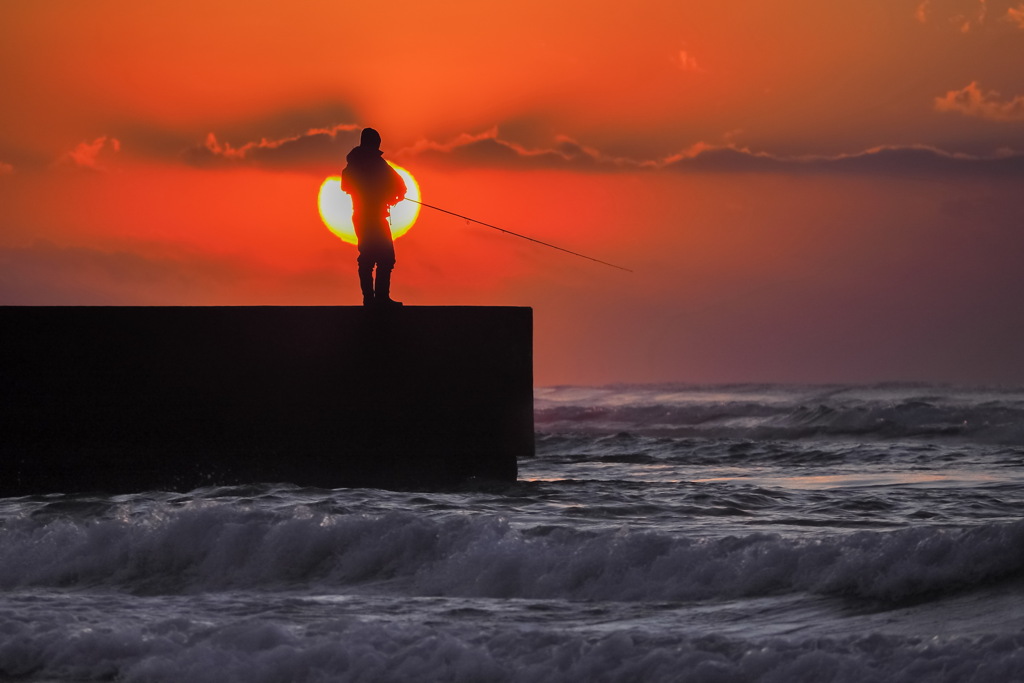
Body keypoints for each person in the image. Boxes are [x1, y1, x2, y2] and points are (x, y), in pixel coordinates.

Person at [341, 127, 407, 307]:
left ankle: (372, 300)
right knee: (383, 259)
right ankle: (378, 300)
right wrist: (387, 193)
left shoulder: (352, 165)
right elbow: (400, 186)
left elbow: (345, 186)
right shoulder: (378, 164)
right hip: (372, 218)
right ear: (374, 143)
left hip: (362, 217)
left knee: (370, 259)